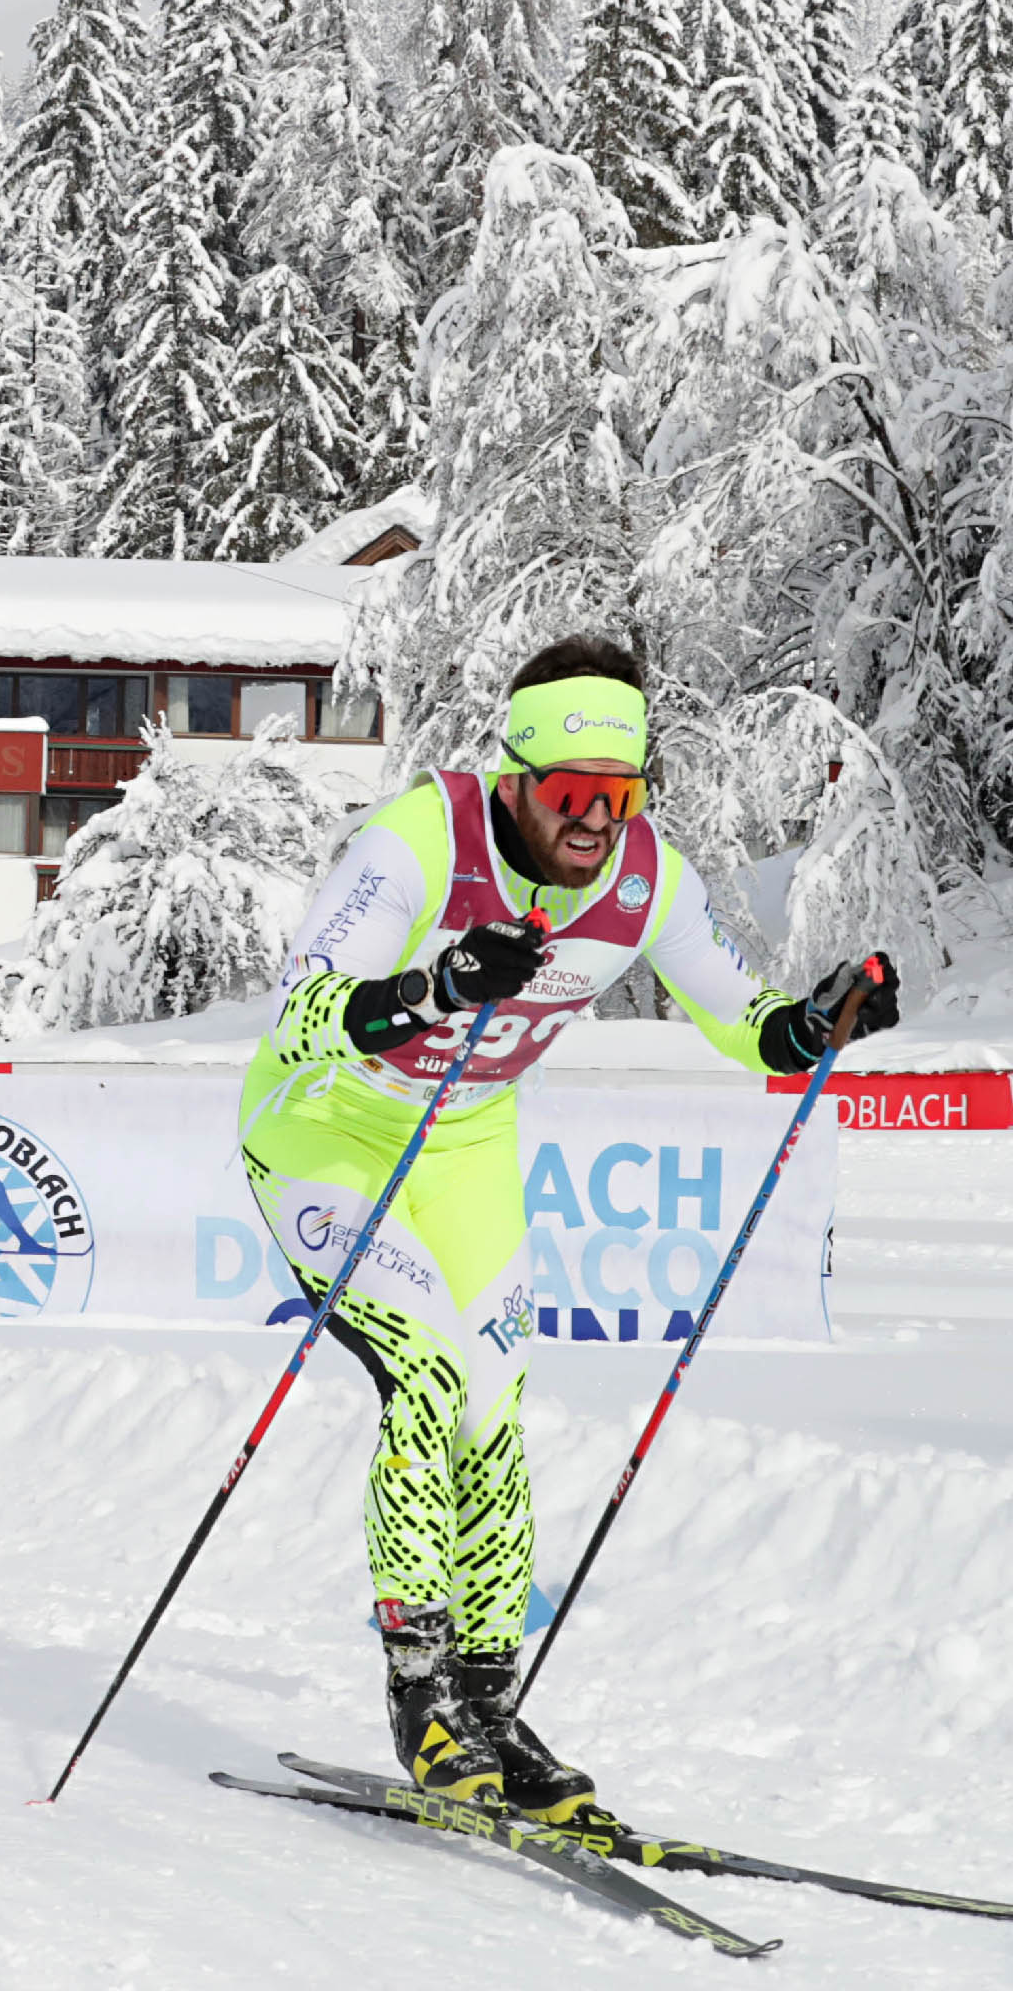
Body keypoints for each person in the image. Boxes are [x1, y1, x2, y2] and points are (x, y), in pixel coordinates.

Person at [243, 636, 900, 1817]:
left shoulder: (644, 877)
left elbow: (751, 1025)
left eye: (622, 793)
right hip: (324, 1133)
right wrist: (436, 986)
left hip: (463, 1141)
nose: (597, 820)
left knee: (496, 1401)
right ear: (515, 781)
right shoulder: (417, 842)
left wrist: (821, 1020)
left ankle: (489, 1703)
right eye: (570, 796)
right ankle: (419, 1694)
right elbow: (299, 1018)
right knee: (430, 1378)